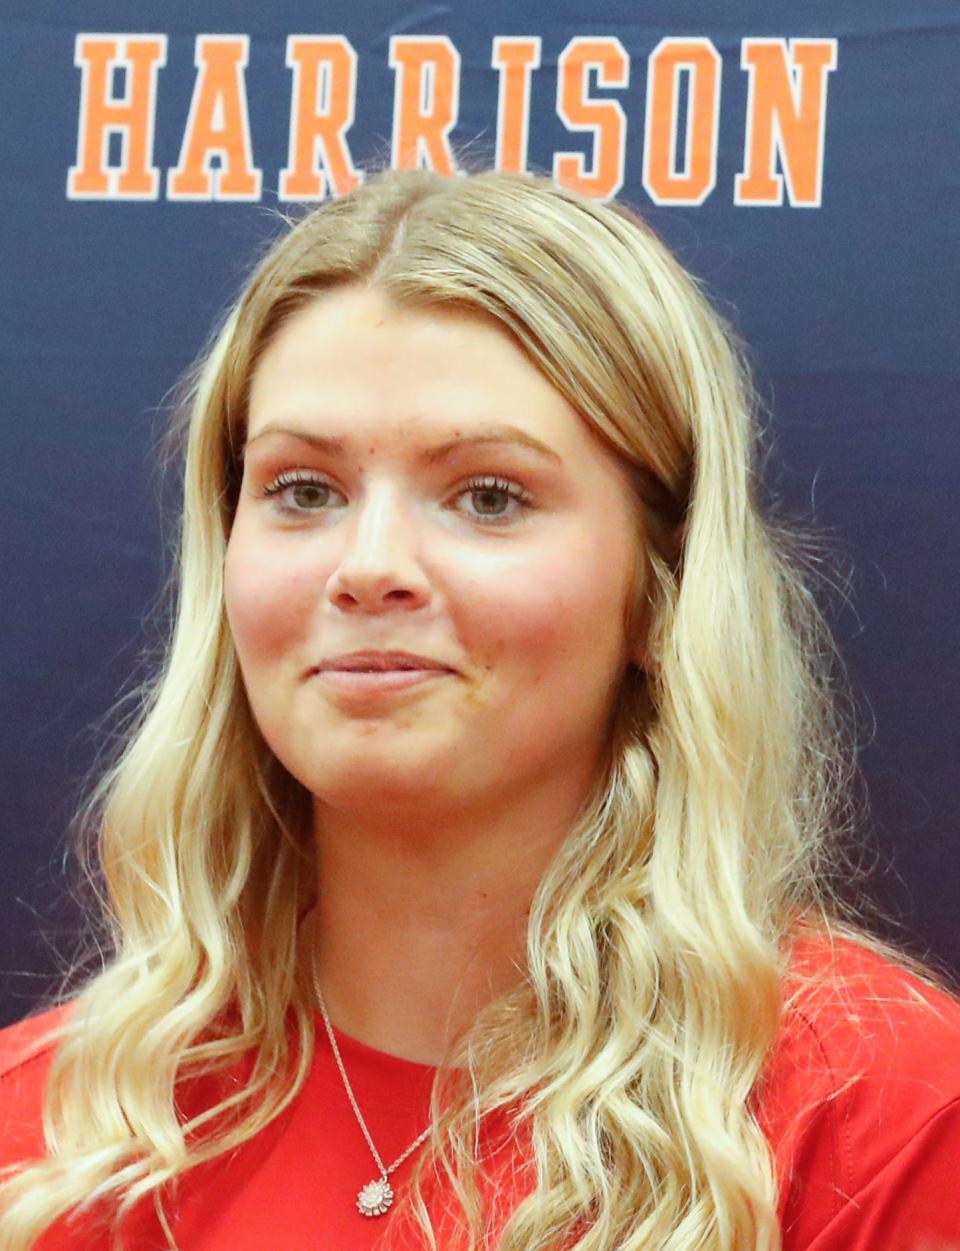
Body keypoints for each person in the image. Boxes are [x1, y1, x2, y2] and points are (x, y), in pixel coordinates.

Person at [1, 167, 959, 1251]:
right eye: (303, 491)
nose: (369, 568)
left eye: (488, 496)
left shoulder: (881, 1119)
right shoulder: (57, 1136)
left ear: (663, 590)